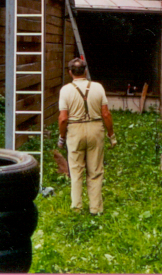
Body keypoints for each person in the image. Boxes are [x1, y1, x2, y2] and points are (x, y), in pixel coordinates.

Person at [57, 58, 116, 215]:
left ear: (70, 72)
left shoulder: (65, 90)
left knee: (76, 171)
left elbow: (63, 118)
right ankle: (95, 209)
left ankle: (76, 208)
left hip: (75, 130)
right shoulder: (98, 87)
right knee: (95, 171)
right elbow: (106, 114)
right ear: (85, 70)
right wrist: (111, 135)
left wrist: (62, 137)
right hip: (96, 129)